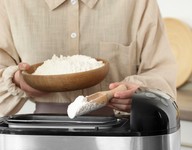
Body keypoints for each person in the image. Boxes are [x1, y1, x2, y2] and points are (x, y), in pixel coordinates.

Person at [0, 0, 177, 116]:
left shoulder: (137, 3)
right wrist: (16, 80)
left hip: (121, 134)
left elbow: (162, 71)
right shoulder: (11, 4)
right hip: (40, 135)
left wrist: (139, 93)